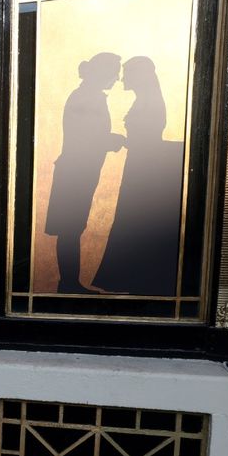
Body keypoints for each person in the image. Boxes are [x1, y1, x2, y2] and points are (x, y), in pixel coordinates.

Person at [92, 56, 185, 296]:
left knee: (134, 220)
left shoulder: (149, 101)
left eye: (127, 73)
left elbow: (148, 137)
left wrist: (120, 140)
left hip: (144, 168)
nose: (123, 78)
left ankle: (138, 279)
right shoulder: (145, 100)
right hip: (140, 164)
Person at [44, 52, 125, 293]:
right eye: (115, 72)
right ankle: (68, 283)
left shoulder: (86, 96)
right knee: (71, 229)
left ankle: (68, 282)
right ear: (103, 73)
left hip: (77, 172)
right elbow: (87, 138)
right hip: (75, 174)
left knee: (71, 229)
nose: (118, 78)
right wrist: (115, 140)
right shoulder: (87, 98)